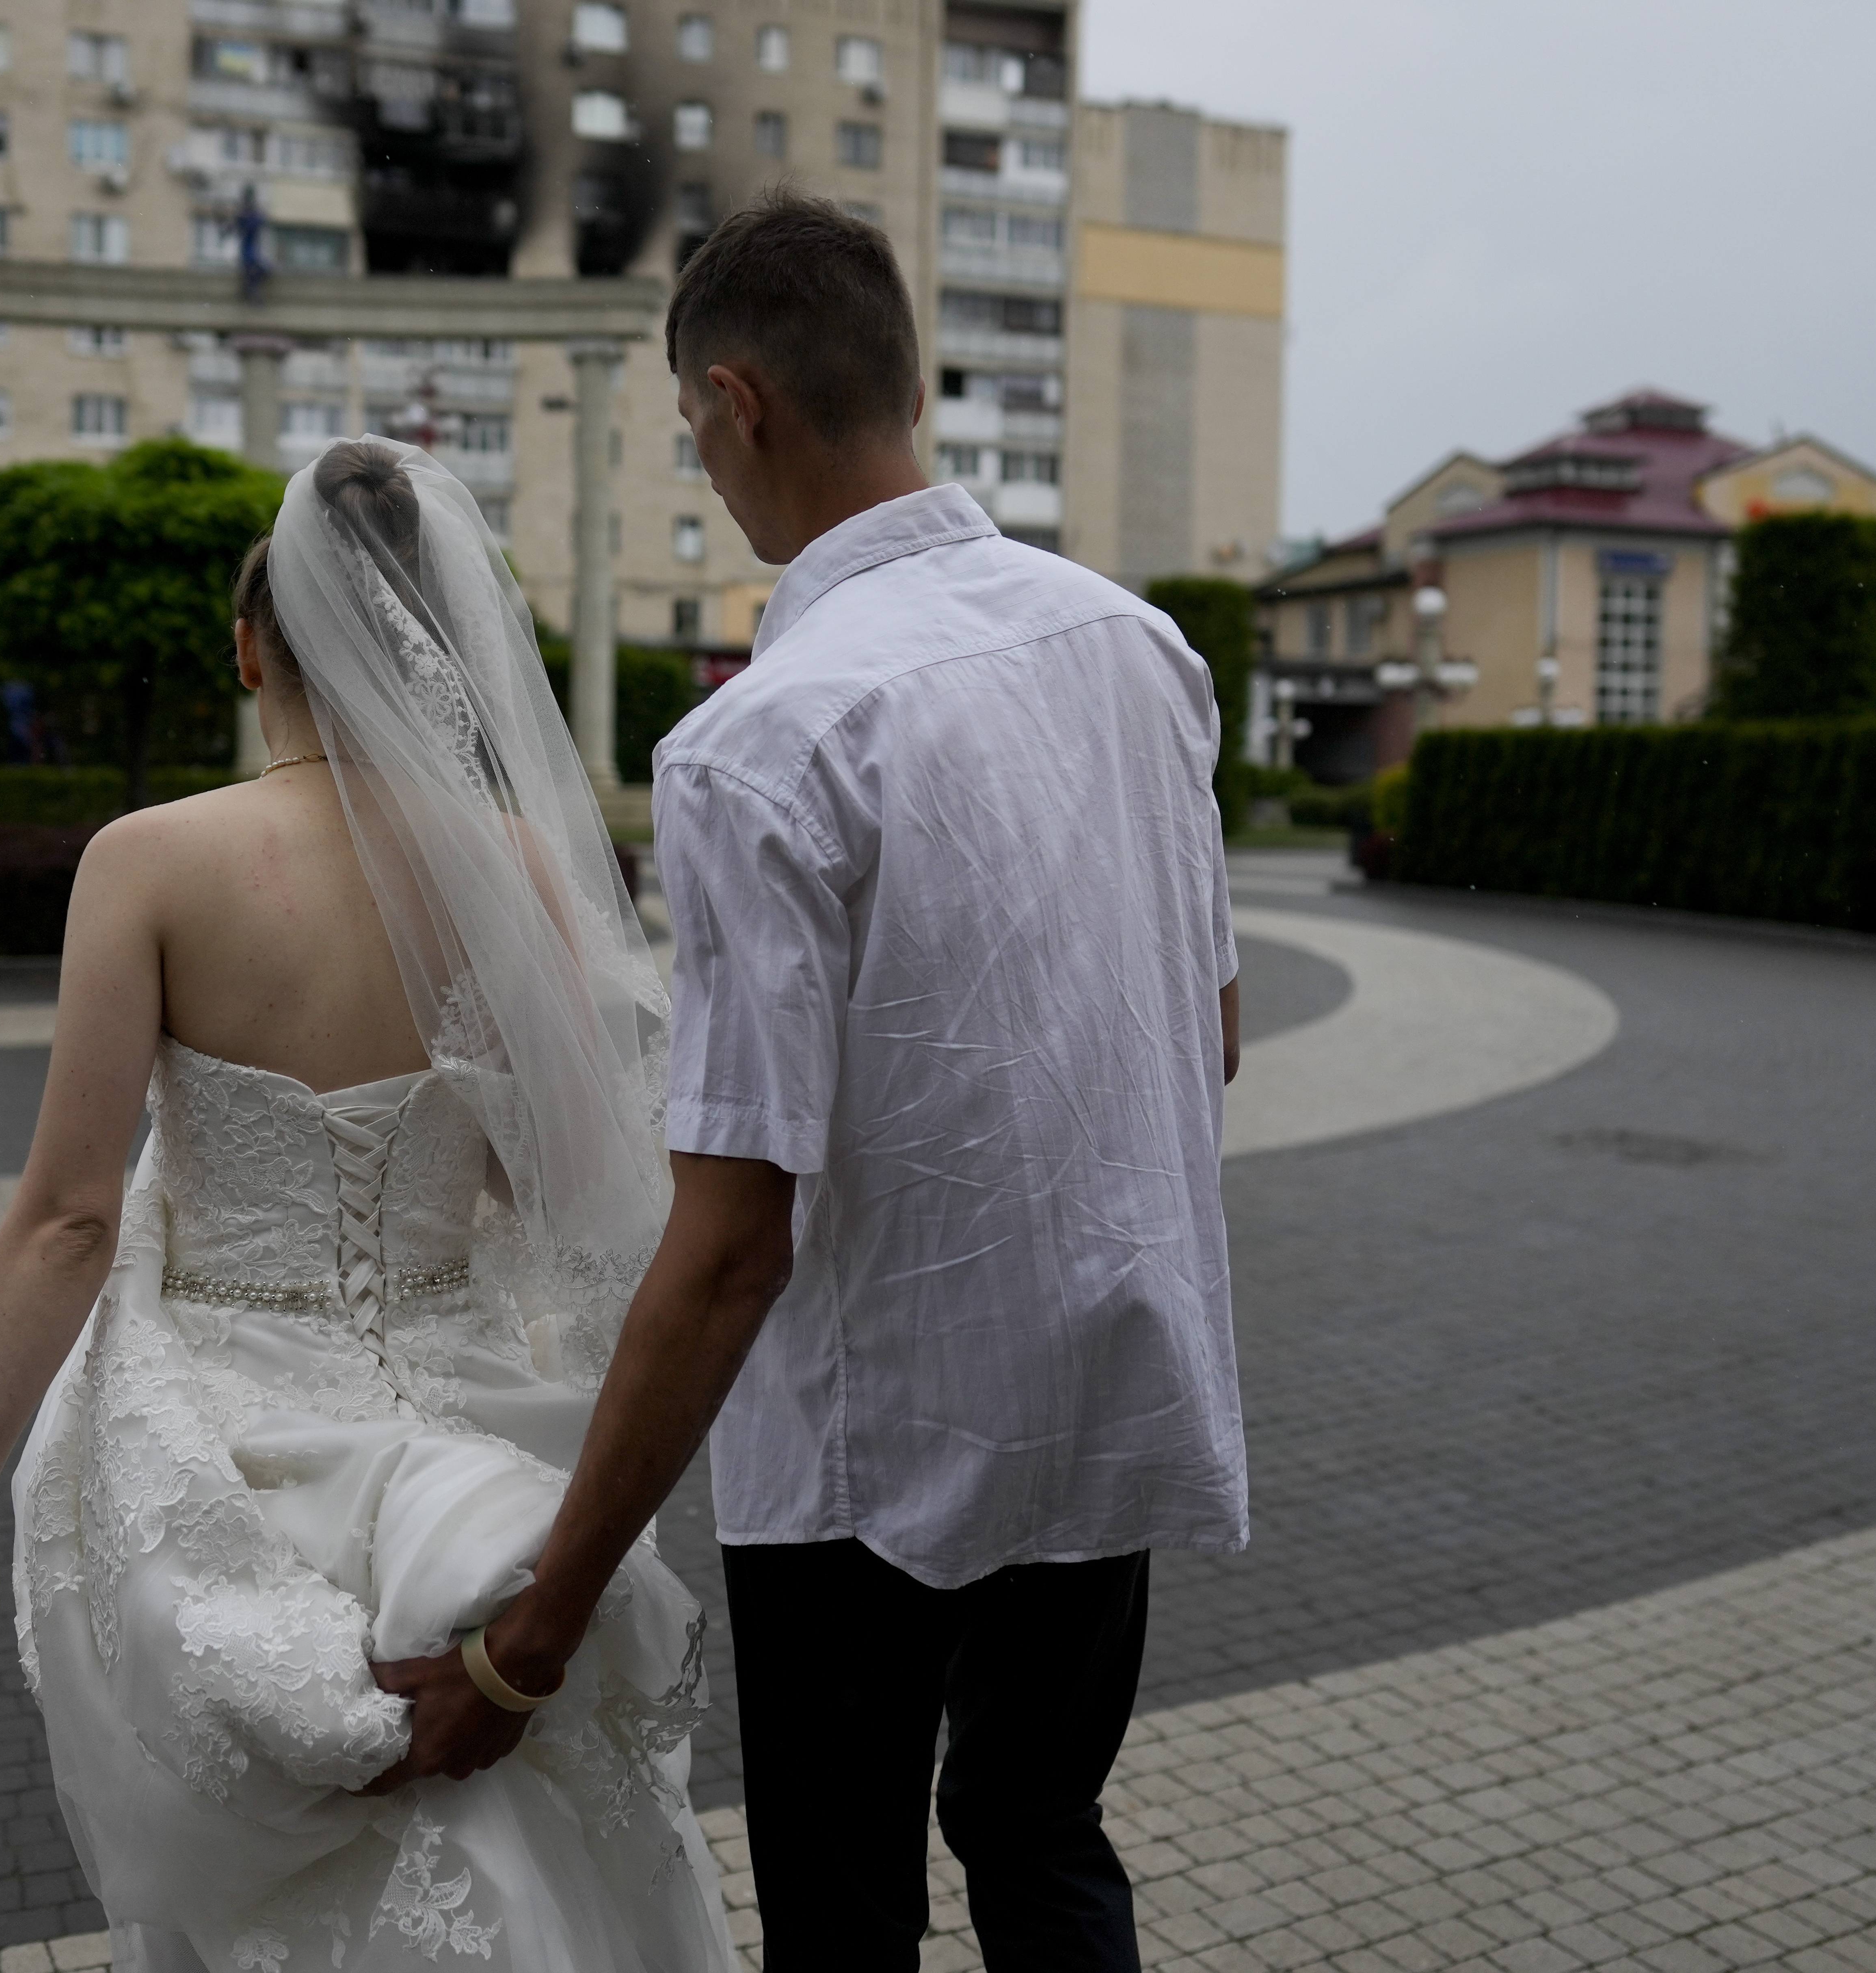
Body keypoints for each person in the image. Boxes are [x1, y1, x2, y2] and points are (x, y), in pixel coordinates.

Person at [381, 191, 1249, 1971]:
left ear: (735, 401)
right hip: (1111, 1371)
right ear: (908, 381)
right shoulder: (1138, 650)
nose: (704, 464)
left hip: (872, 1447)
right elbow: (1206, 1033)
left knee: (844, 1921)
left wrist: (529, 1638)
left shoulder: (758, 746)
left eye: (694, 431)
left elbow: (734, 1246)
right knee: (1040, 1828)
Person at [0, 438, 731, 1973]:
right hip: (473, 1444)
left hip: (230, 1440)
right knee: (539, 1844)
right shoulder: (518, 871)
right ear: (440, 645)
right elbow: (572, 1193)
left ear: (251, 645)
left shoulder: (152, 862)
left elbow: (67, 1222)